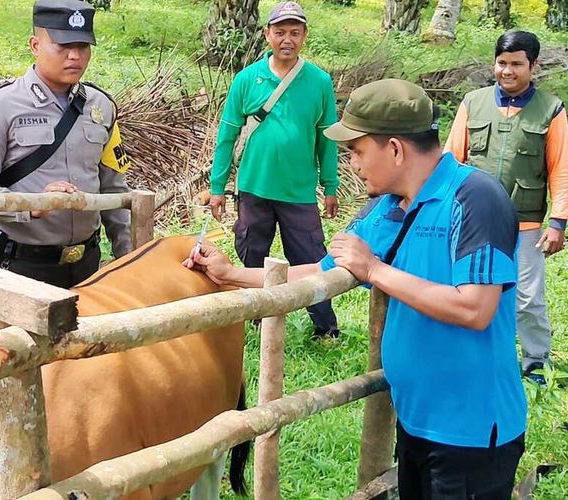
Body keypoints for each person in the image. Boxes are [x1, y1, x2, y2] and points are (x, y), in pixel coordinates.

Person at [188, 79, 526, 498]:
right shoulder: (386, 207)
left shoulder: (476, 199)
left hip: (471, 432)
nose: (352, 164)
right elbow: (320, 272)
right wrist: (231, 274)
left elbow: (475, 309)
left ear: (396, 149)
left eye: (358, 151)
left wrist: (374, 269)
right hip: (417, 421)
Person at [0, 0, 132, 289]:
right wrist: (31, 205)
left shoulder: (101, 106)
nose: (75, 56)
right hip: (24, 264)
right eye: (63, 46)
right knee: (19, 337)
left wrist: (128, 257)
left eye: (82, 46)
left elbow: (114, 188)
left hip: (88, 262)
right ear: (35, 45)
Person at [207, 1, 341, 338]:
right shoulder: (247, 79)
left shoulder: (319, 81)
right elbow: (227, 136)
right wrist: (217, 187)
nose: (287, 39)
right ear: (267, 34)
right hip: (254, 188)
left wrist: (331, 185)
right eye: (280, 32)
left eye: (294, 33)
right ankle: (254, 317)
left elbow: (328, 139)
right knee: (251, 253)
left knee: (312, 259)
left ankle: (326, 329)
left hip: (299, 191)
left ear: (304, 36)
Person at [445, 31, 568, 384]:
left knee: (528, 299)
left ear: (534, 66)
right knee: (469, 289)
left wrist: (558, 221)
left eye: (517, 64)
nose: (507, 71)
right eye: (502, 63)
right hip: (474, 221)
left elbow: (561, 169)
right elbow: (453, 158)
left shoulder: (551, 109)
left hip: (526, 223)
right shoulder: (473, 102)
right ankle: (473, 356)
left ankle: (535, 363)